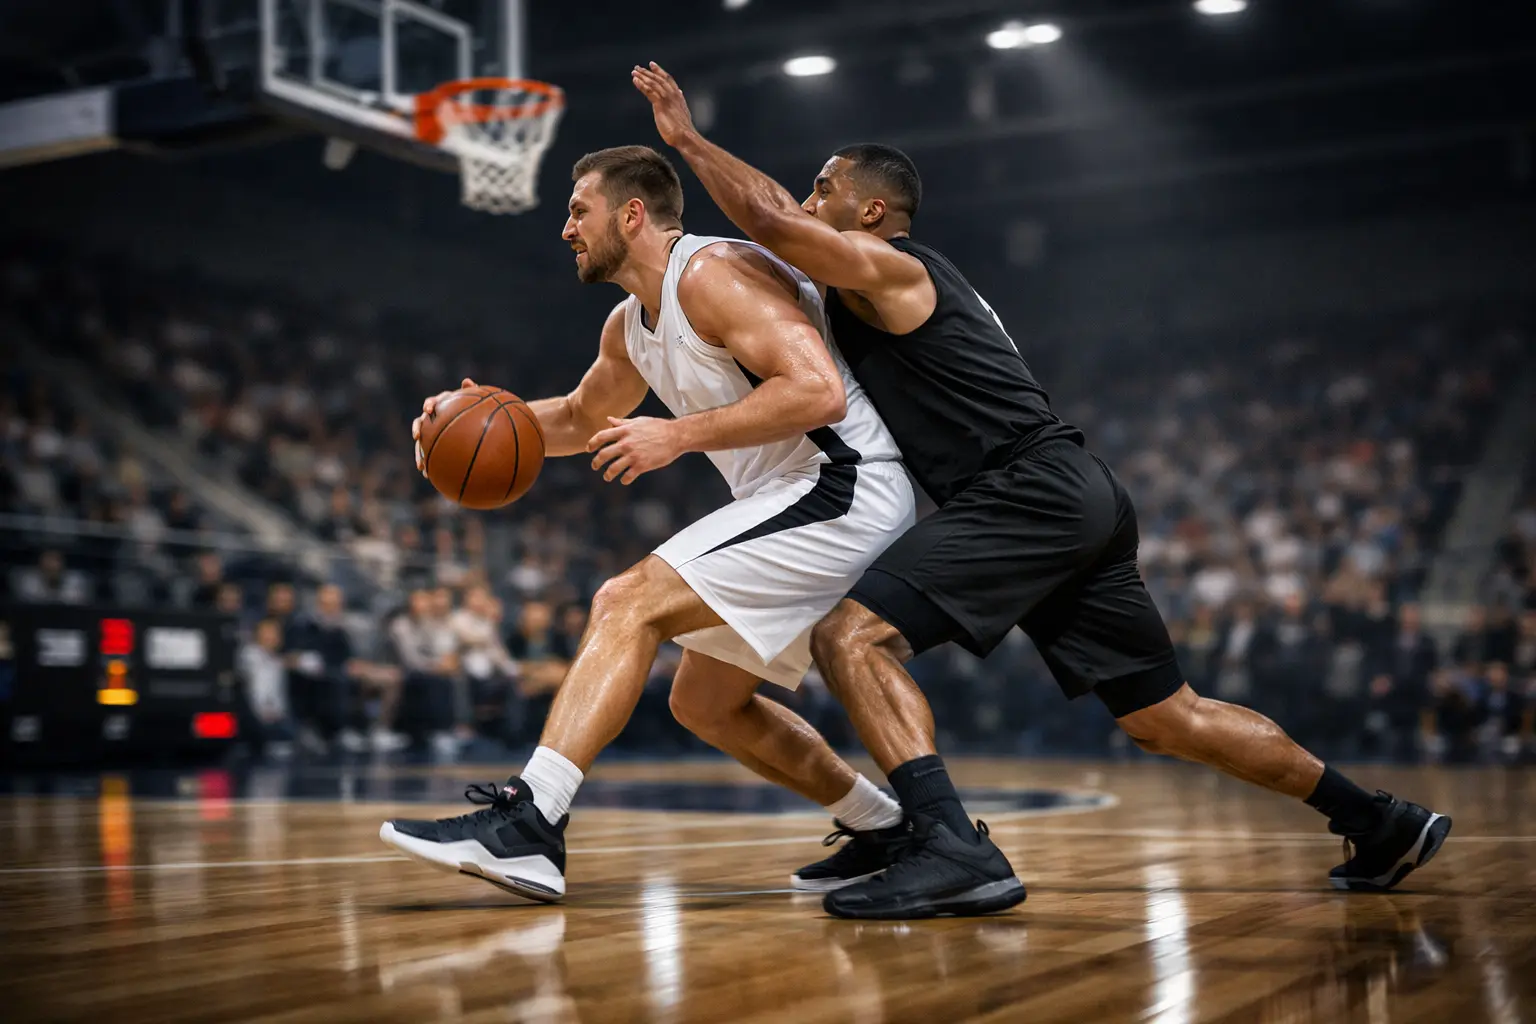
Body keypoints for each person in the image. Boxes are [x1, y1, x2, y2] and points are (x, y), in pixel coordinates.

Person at [633, 61, 1452, 918]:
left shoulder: (892, 266)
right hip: (1073, 491)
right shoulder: (888, 284)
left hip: (1025, 487)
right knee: (1167, 718)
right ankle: (1378, 819)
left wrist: (686, 141)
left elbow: (765, 217)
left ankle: (952, 848)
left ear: (870, 212)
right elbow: (779, 226)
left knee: (854, 637)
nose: (806, 199)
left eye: (823, 186)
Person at [379, 145, 917, 902]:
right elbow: (573, 418)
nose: (565, 229)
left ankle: (531, 825)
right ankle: (886, 826)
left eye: (578, 211)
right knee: (702, 702)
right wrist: (462, 419)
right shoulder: (629, 325)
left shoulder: (715, 273)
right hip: (802, 496)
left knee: (625, 600)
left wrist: (677, 434)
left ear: (632, 215)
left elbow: (820, 392)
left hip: (844, 484)